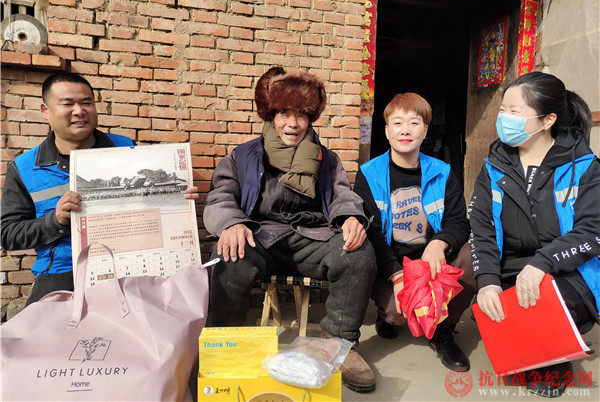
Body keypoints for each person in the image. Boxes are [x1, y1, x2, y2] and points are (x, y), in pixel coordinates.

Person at [204, 66, 378, 393]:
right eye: (284, 113)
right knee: (228, 253)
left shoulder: (327, 160)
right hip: (260, 237)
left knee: (358, 254)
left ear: (311, 118)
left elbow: (343, 195)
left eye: (301, 114)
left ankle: (341, 346)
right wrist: (232, 223)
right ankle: (228, 342)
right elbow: (220, 197)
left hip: (312, 237)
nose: (293, 123)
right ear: (271, 115)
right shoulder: (242, 157)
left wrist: (350, 218)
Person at [0, 72, 199, 305]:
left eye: (86, 103)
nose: (79, 111)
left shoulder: (126, 148)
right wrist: (55, 221)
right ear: (45, 111)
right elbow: (7, 235)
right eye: (68, 103)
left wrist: (175, 200)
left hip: (132, 262)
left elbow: (146, 205)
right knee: (42, 325)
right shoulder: (24, 168)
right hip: (63, 271)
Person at [470, 72, 599, 397]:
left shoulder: (584, 166)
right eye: (502, 110)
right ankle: (540, 344)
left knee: (545, 308)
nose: (504, 118)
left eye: (514, 112)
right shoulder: (494, 166)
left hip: (566, 268)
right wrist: (488, 282)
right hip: (511, 264)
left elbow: (592, 230)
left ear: (547, 120)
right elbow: (482, 228)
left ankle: (558, 358)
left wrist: (542, 263)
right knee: (494, 310)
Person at [354, 93, 476, 372]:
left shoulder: (442, 172)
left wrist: (439, 244)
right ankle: (386, 314)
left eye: (414, 123)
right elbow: (371, 232)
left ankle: (443, 331)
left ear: (425, 130)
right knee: (398, 316)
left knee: (472, 255)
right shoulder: (369, 173)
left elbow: (459, 222)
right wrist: (396, 275)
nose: (405, 130)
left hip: (431, 264)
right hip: (390, 265)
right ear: (387, 131)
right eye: (397, 123)